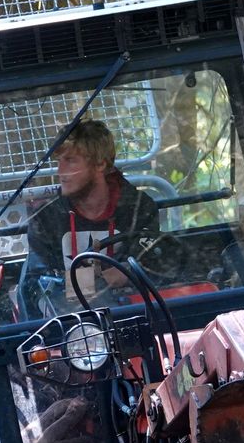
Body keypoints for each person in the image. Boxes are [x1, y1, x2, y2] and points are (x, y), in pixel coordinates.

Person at [24, 120, 160, 311]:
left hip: (132, 314)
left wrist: (126, 274)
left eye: (70, 161)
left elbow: (152, 267)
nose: (60, 171)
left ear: (100, 164)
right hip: (70, 324)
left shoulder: (138, 208)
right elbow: (37, 285)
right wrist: (99, 279)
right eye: (58, 161)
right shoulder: (46, 216)